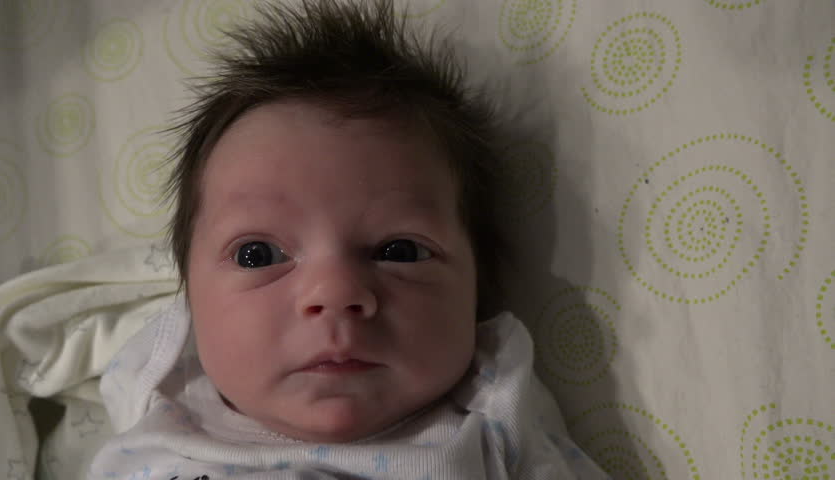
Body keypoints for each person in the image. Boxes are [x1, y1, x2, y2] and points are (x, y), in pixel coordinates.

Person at [88, 1, 608, 478]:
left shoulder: (491, 415)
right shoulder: (159, 394)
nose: (334, 292)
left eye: (398, 251)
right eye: (258, 255)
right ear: (190, 301)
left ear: (476, 286)